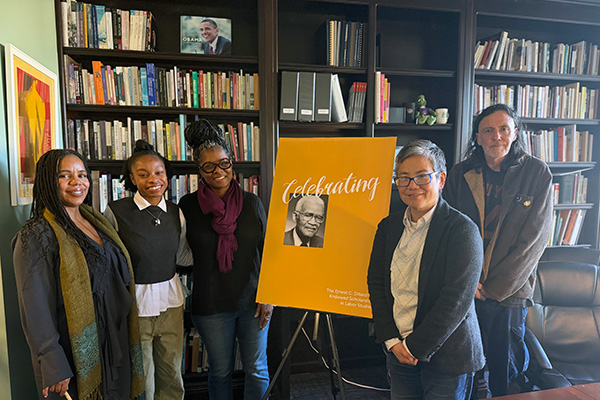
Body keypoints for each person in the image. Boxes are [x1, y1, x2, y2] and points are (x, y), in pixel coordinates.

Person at [12, 149, 145, 400]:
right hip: (71, 353)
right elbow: (34, 308)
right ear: (47, 182)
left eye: (82, 175)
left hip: (113, 343)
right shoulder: (35, 236)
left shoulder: (95, 221)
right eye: (65, 176)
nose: (77, 182)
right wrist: (53, 363)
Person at [444, 104, 554, 397]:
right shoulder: (461, 174)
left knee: (506, 372)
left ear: (515, 133)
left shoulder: (536, 173)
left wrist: (494, 288)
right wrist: (468, 283)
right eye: (488, 130)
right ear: (478, 138)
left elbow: (534, 241)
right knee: (464, 366)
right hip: (466, 288)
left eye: (504, 129)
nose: (497, 137)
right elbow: (448, 231)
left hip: (510, 292)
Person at [367, 139, 485, 400]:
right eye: (403, 178)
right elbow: (376, 283)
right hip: (397, 350)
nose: (412, 186)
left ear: (440, 179)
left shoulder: (462, 230)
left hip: (447, 357)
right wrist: (391, 340)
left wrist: (414, 347)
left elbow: (456, 299)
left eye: (422, 177)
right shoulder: (388, 227)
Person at [178, 119, 272, 399]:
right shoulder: (187, 206)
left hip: (253, 302)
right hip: (211, 305)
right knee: (220, 371)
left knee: (257, 369)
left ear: (232, 163)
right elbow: (180, 254)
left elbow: (269, 252)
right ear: (200, 171)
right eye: (209, 166)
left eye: (224, 163)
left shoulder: (252, 202)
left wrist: (270, 295)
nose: (218, 171)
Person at [104, 140, 193, 400]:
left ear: (167, 175)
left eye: (158, 172)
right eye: (143, 175)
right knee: (143, 382)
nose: (153, 179)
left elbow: (183, 255)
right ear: (132, 178)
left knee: (172, 376)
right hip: (135, 306)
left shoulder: (176, 212)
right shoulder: (116, 211)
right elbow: (108, 261)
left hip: (171, 304)